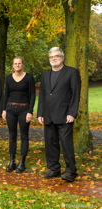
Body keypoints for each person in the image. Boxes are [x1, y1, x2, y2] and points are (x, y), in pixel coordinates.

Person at [38, 47, 81, 182]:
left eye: (56, 56)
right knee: (50, 144)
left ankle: (71, 171)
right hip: (48, 115)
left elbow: (76, 94)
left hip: (65, 116)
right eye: (51, 57)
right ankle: (54, 169)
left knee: (66, 145)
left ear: (62, 57)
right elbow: (43, 95)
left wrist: (72, 113)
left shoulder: (72, 72)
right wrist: (40, 113)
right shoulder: (45, 74)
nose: (53, 59)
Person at [1, 57, 35, 173]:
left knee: (24, 136)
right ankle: (12, 161)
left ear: (22, 64)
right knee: (12, 136)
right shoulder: (9, 78)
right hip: (10, 108)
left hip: (24, 109)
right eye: (15, 63)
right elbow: (6, 94)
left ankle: (22, 162)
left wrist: (30, 111)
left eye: (19, 63)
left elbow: (32, 95)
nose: (17, 65)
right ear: (13, 65)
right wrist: (4, 109)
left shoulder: (29, 78)